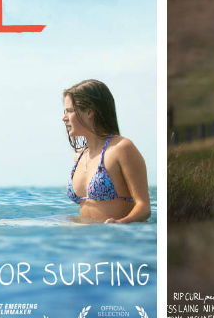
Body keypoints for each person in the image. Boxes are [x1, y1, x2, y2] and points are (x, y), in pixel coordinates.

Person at [64, 79, 150, 223]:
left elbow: (144, 207)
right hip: (81, 239)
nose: (64, 118)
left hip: (113, 239)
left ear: (89, 112)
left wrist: (120, 224)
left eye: (70, 111)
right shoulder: (79, 156)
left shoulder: (122, 148)